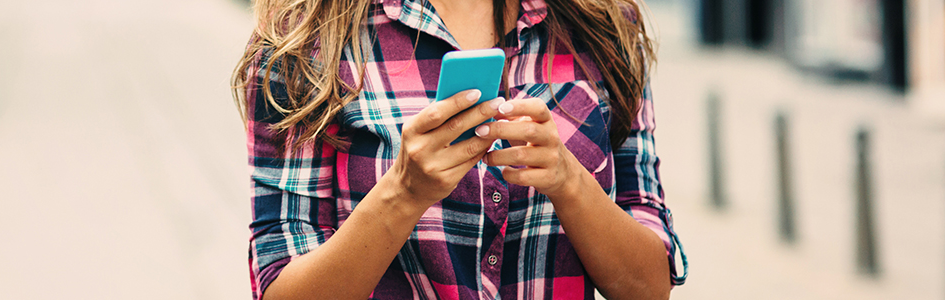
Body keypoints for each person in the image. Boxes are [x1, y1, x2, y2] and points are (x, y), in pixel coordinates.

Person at [232, 0, 688, 299]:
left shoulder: (605, 26)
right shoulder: (305, 37)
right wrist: (402, 194)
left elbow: (649, 286)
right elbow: (279, 286)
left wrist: (570, 183)